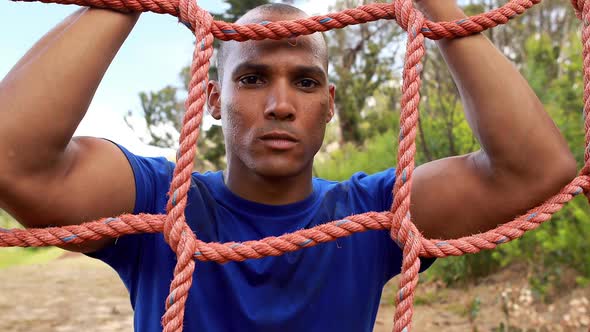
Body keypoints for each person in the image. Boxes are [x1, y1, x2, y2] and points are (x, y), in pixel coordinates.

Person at [0, 1, 576, 331]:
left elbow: (532, 172)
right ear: (211, 101)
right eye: (251, 78)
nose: (279, 104)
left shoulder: (374, 216)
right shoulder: (159, 203)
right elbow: (14, 160)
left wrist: (436, 11)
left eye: (304, 82)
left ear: (329, 105)